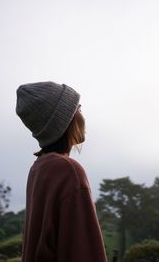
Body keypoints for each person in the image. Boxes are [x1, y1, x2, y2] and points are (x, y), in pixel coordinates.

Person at [16, 81, 107, 262]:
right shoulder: (68, 171)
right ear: (66, 120)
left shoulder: (39, 168)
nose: (84, 117)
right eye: (78, 109)